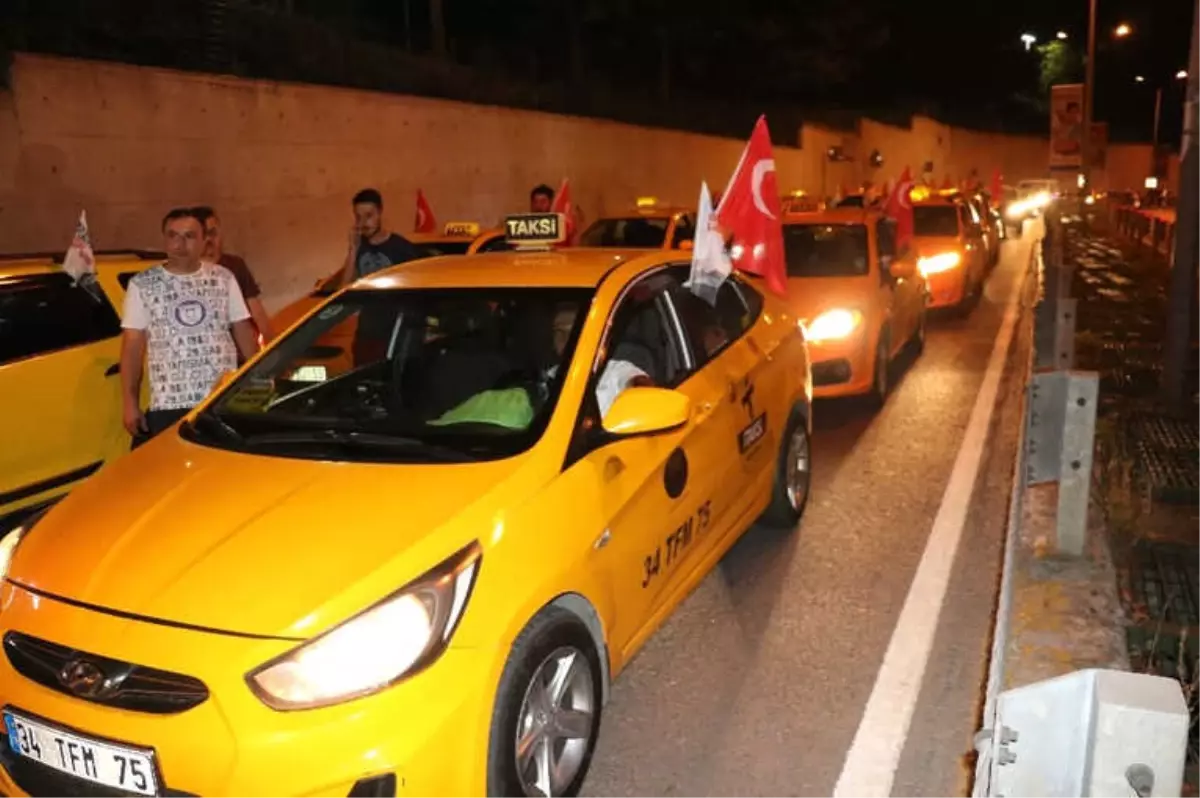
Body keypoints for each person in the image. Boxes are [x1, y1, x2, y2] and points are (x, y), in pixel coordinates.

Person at [121, 208, 260, 448]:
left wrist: (260, 379)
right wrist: (129, 402)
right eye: (173, 236)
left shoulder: (224, 278)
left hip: (220, 399)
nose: (180, 244)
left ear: (204, 240)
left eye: (189, 236)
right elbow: (132, 347)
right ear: (164, 239)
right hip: (170, 403)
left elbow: (243, 331)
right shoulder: (142, 285)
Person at [193, 206, 274, 342]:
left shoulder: (235, 266)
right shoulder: (185, 272)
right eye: (202, 235)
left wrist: (273, 351)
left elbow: (257, 312)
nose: (209, 241)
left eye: (213, 233)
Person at [341, 188, 422, 285]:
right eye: (358, 217)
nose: (363, 223)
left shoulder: (401, 247)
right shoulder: (358, 246)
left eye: (369, 216)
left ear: (380, 212)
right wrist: (353, 250)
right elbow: (344, 288)